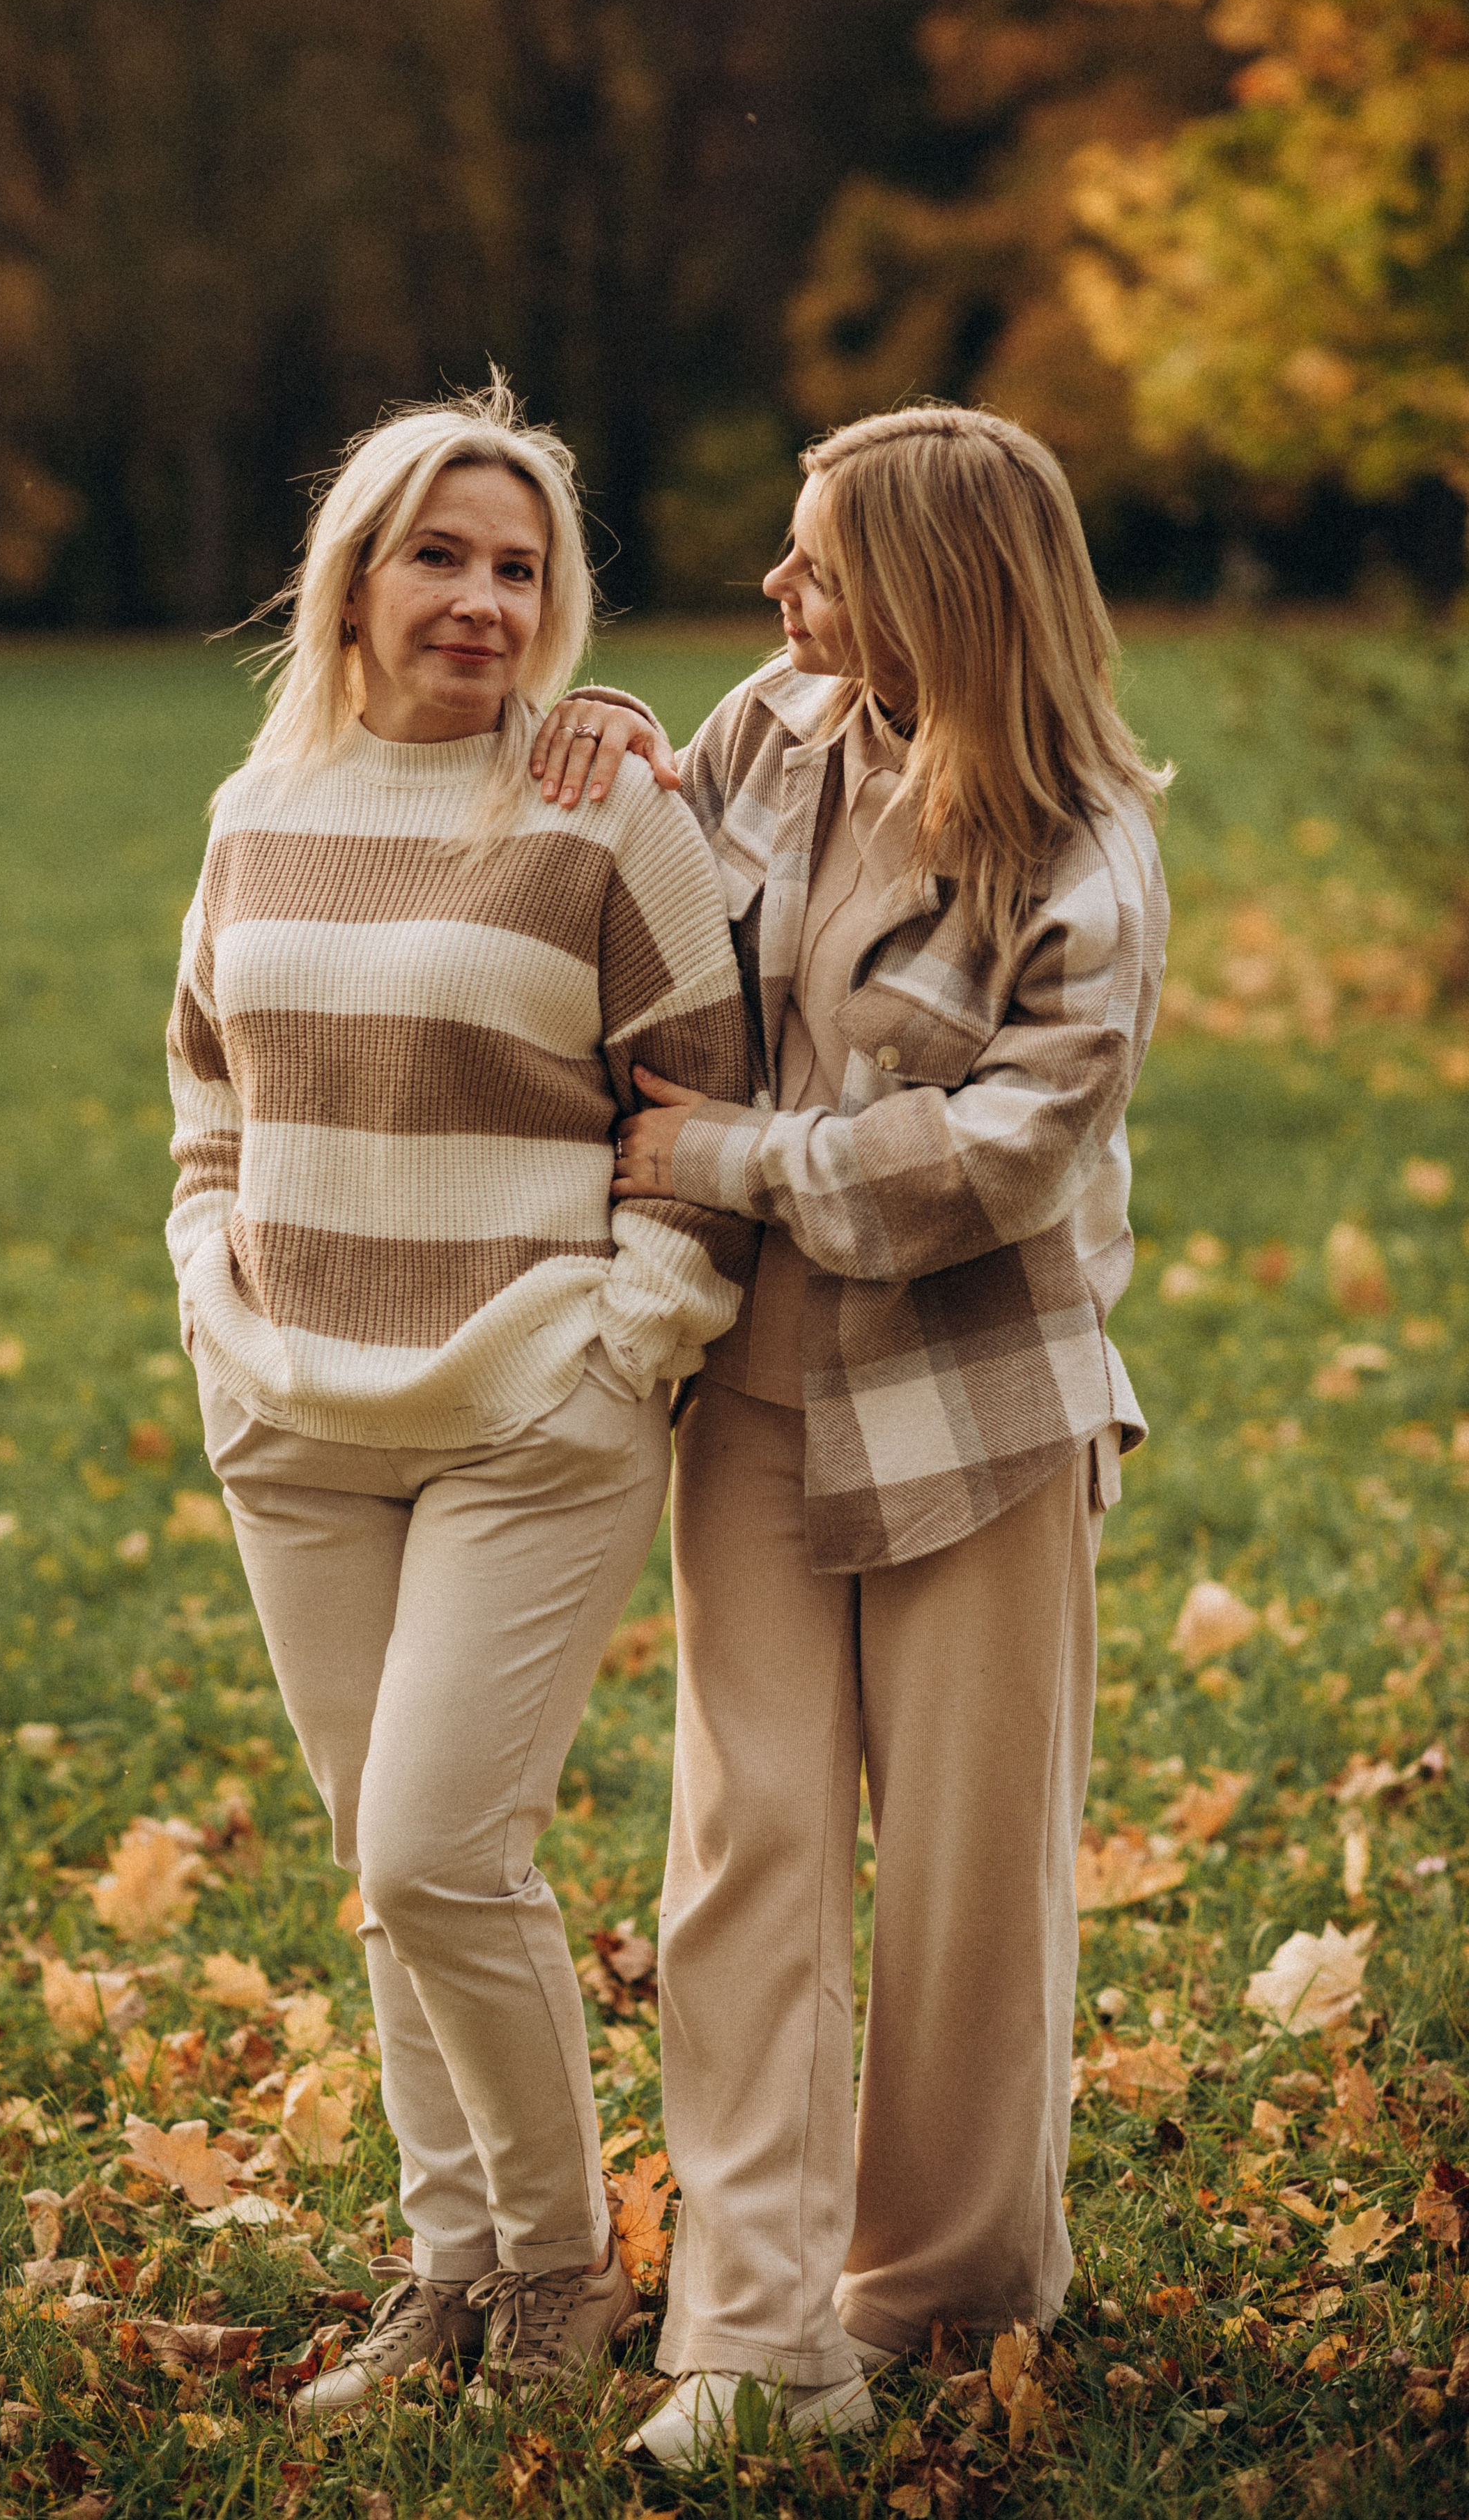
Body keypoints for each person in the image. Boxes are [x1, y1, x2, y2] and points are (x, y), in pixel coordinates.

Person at [536, 403, 1170, 2466]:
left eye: (815, 560)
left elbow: (998, 1158)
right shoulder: (772, 727)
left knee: (974, 1876)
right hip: (758, 1385)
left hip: (984, 1401)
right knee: (748, 1848)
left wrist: (734, 1151)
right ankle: (748, 2323)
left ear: (931, 586)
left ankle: (945, 2284)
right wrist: (607, 747)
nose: (778, 592)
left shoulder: (1084, 842)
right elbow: (642, 920)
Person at [163, 377, 754, 2416]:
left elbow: (716, 1084)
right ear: (355, 578)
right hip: (293, 1410)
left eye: (521, 568)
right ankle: (456, 2268)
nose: (483, 601)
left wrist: (634, 1331)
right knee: (383, 1865)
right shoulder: (257, 815)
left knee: (435, 1849)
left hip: (533, 1400)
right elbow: (204, 1094)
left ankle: (570, 2270)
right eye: (442, 555)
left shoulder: (605, 803)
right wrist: (203, 1285)